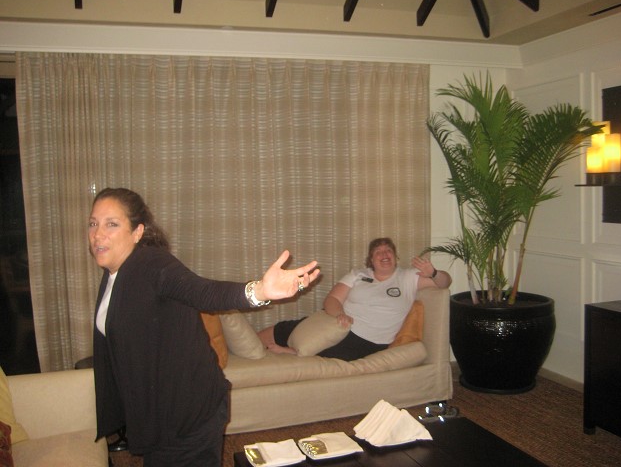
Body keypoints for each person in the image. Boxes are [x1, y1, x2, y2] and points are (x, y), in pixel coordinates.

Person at [88, 187, 319, 467]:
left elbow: (202, 292)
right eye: (93, 224)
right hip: (162, 409)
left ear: (137, 232)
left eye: (111, 224)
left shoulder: (152, 263)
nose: (98, 234)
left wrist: (259, 291)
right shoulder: (114, 274)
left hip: (189, 412)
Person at [258, 237, 451, 361]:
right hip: (338, 323)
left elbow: (445, 282)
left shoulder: (408, 277)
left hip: (368, 340)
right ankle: (247, 351)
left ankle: (294, 352)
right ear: (371, 260)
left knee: (334, 350)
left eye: (388, 251)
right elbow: (332, 299)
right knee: (283, 329)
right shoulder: (358, 274)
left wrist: (434, 273)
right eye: (378, 252)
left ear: (395, 257)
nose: (384, 255)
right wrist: (339, 315)